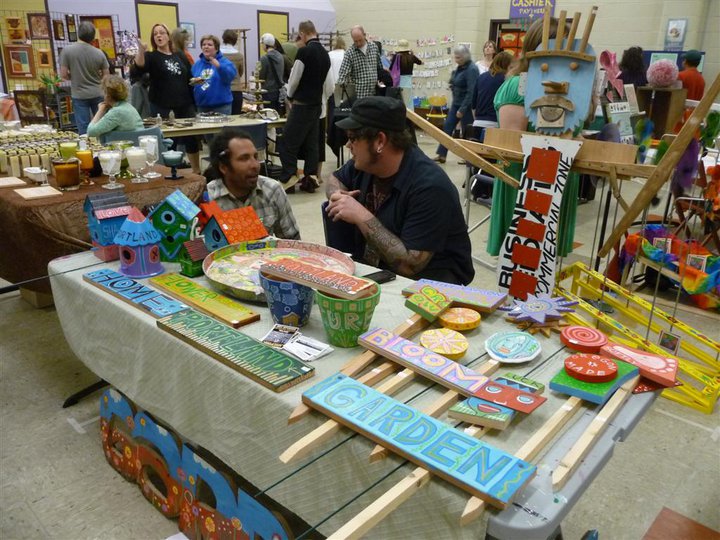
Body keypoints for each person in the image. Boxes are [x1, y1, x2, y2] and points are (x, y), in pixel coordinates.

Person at [326, 96, 474, 285]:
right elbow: (335, 178)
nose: (348, 145)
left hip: (430, 288)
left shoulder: (430, 187)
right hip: (381, 275)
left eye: (353, 138)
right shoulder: (364, 165)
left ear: (380, 141)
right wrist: (337, 194)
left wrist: (360, 215)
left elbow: (410, 265)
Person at [486, 17, 580, 259]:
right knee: (520, 262)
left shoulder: (572, 87)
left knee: (547, 264)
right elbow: (510, 148)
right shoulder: (518, 86)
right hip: (526, 183)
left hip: (559, 178)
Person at [206, 128, 300, 239]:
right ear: (223, 167)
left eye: (255, 157)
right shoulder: (207, 199)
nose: (255, 165)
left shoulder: (272, 190)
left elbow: (292, 242)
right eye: (244, 159)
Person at [134, 23, 200, 173]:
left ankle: (197, 172)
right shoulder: (151, 56)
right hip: (161, 104)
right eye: (155, 33)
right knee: (168, 141)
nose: (159, 35)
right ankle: (169, 172)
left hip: (185, 103)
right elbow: (140, 67)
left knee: (192, 138)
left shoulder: (180, 56)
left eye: (162, 32)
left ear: (168, 36)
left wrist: (196, 81)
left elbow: (189, 77)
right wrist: (141, 50)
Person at [279, 20, 332, 193]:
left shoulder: (304, 52)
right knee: (312, 144)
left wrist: (289, 96)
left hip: (302, 105)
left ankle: (289, 178)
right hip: (317, 105)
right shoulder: (325, 54)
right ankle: (310, 179)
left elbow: (294, 79)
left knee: (287, 142)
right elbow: (327, 84)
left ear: (302, 34)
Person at [59, 21, 110, 135]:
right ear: (93, 36)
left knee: (83, 128)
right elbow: (106, 77)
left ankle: (86, 150)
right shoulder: (99, 53)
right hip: (98, 93)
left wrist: (75, 76)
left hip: (79, 94)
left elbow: (63, 75)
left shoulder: (67, 51)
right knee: (102, 125)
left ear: (78, 33)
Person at [433, 45, 479, 163]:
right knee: (447, 126)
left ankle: (469, 157)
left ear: (465, 57)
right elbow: (455, 81)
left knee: (467, 132)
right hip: (456, 102)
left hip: (466, 105)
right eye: (455, 57)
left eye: (458, 57)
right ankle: (442, 155)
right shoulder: (460, 67)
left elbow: (471, 91)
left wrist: (462, 109)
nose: (456, 60)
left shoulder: (472, 69)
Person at [471, 51, 513, 140]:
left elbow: (473, 104)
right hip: (495, 125)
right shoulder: (507, 80)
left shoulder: (481, 77)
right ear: (507, 65)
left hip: (477, 123)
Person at [191, 34, 237, 116]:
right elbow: (193, 81)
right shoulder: (197, 64)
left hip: (221, 107)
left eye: (209, 45)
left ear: (216, 48)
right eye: (203, 45)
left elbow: (230, 76)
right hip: (202, 106)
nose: (206, 47)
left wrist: (219, 66)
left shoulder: (225, 62)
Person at [86, 74, 143, 139]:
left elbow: (90, 132)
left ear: (108, 95)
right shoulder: (128, 106)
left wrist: (100, 110)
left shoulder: (116, 112)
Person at [337, 25, 382, 100]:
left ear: (364, 35)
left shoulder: (374, 47)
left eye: (360, 40)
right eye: (355, 41)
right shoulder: (349, 53)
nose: (358, 43)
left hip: (375, 95)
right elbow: (343, 75)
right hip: (359, 97)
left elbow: (379, 67)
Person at [389, 39, 423, 111]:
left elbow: (391, 68)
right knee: (409, 104)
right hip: (408, 82)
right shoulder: (412, 57)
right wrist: (412, 54)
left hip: (398, 82)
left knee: (398, 103)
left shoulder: (396, 56)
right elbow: (420, 62)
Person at [258, 33, 286, 113]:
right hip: (279, 91)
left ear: (265, 44)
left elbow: (261, 77)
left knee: (269, 116)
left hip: (268, 92)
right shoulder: (280, 56)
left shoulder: (264, 58)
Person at [220, 29, 245, 115]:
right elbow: (240, 73)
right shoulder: (239, 55)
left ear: (223, 39)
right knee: (236, 119)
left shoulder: (218, 54)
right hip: (236, 90)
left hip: (221, 90)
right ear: (235, 40)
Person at [328, 36, 347, 104]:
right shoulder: (346, 54)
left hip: (332, 84)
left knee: (334, 105)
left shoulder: (330, 55)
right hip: (345, 85)